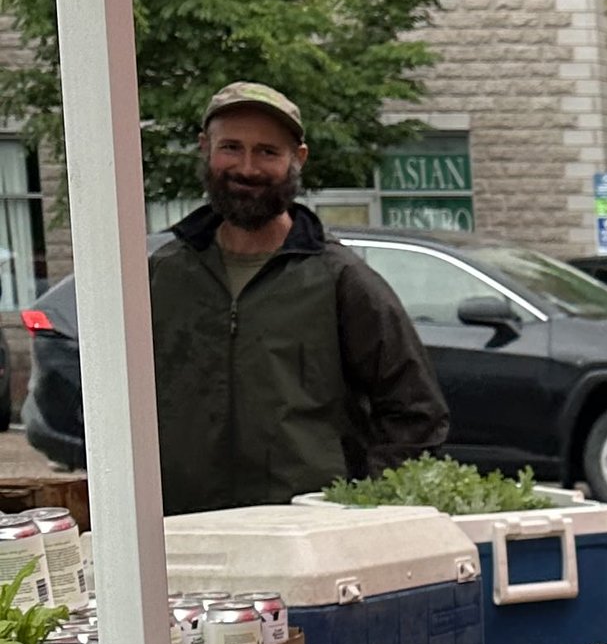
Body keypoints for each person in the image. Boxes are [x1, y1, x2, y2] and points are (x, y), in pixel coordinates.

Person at [150, 82, 446, 511]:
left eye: (268, 152)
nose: (247, 168)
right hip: (183, 533)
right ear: (204, 149)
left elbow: (417, 414)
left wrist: (364, 508)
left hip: (307, 538)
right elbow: (111, 404)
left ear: (297, 159)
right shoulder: (163, 275)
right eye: (231, 147)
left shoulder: (342, 280)